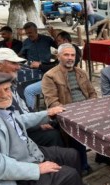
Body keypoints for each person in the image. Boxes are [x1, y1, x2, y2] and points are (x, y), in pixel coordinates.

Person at [0, 48, 64, 147]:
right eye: (13, 63)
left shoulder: (13, 83)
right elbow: (5, 124)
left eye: (18, 64)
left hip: (26, 125)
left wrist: (38, 122)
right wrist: (38, 122)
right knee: (54, 136)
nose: (18, 67)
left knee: (59, 123)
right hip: (16, 137)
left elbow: (24, 110)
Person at [42, 43, 97, 176]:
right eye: (66, 54)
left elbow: (92, 93)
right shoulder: (50, 76)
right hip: (67, 115)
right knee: (76, 132)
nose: (70, 58)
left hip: (88, 111)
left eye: (72, 55)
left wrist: (91, 107)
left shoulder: (81, 72)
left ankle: (105, 156)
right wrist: (75, 113)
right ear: (58, 56)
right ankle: (82, 165)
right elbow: (53, 102)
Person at [19, 22, 58, 110]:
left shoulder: (46, 39)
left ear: (36, 31)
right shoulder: (26, 42)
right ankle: (26, 109)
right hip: (32, 72)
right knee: (21, 85)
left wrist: (54, 35)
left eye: (30, 33)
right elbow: (22, 55)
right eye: (27, 33)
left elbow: (59, 46)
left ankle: (31, 111)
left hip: (46, 70)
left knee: (29, 90)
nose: (29, 35)